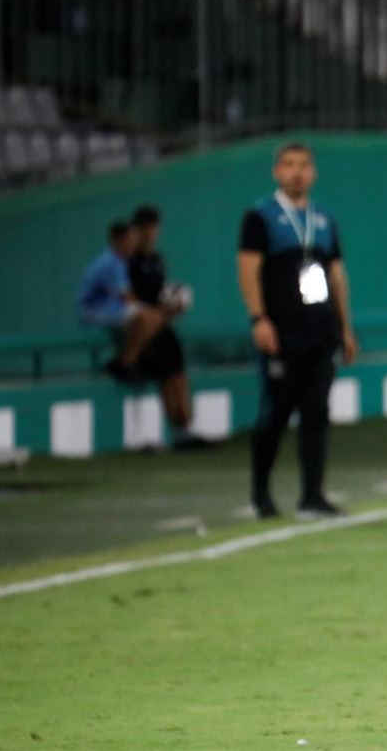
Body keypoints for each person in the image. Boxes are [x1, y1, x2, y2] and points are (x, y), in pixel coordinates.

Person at [237, 141, 358, 520]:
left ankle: (312, 495)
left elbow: (337, 274)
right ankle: (261, 496)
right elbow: (248, 270)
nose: (297, 172)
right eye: (289, 165)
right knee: (274, 413)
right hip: (281, 333)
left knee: (316, 412)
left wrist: (345, 326)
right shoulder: (260, 216)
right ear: (276, 171)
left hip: (321, 332)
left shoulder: (323, 217)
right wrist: (259, 319)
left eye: (304, 165)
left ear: (314, 172)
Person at [126, 205, 209, 449]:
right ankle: (177, 429)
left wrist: (173, 308)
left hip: (162, 325)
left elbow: (159, 296)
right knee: (166, 379)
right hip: (145, 329)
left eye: (153, 228)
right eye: (145, 228)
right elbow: (131, 300)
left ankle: (186, 427)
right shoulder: (130, 262)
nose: (150, 233)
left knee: (179, 376)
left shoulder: (157, 260)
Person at [76, 221, 174, 380]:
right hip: (93, 311)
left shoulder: (120, 262)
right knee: (147, 317)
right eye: (129, 241)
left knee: (153, 317)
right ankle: (125, 362)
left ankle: (133, 360)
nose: (132, 245)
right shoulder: (110, 262)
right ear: (118, 241)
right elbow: (127, 298)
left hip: (109, 308)